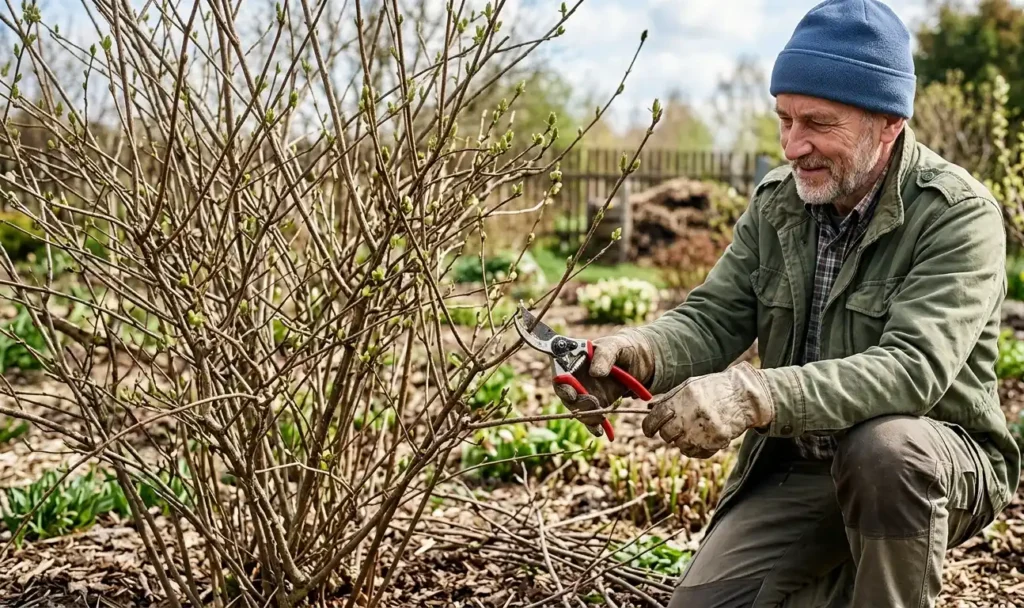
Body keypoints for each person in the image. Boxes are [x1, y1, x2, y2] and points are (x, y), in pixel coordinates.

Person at [554, 0, 1022, 605]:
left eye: (818, 124)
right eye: (785, 119)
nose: (794, 145)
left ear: (888, 124)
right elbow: (714, 317)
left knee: (885, 452)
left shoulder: (957, 216)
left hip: (930, 463)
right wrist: (634, 354)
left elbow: (912, 371)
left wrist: (754, 394)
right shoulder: (779, 202)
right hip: (802, 465)